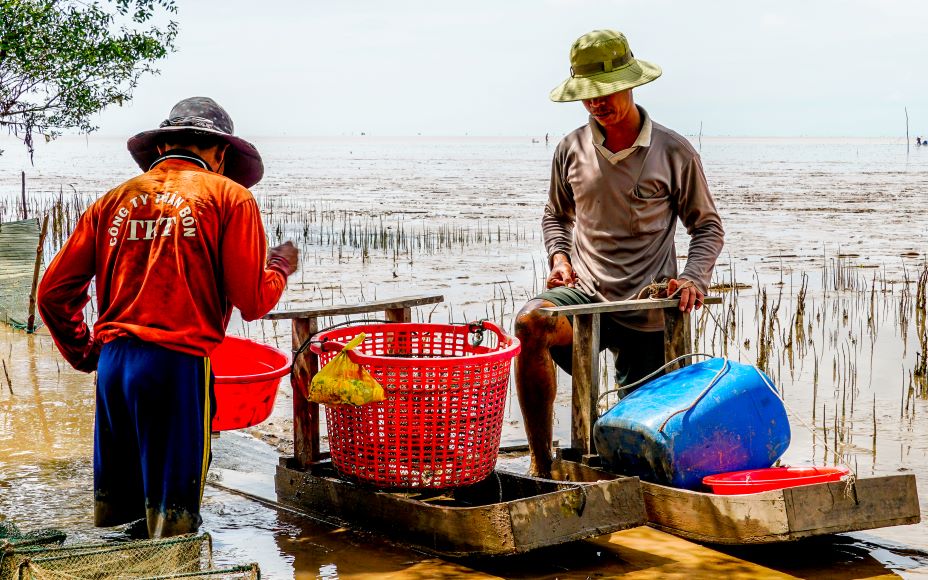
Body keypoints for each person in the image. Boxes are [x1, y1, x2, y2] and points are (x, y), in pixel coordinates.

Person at [37, 97, 299, 538]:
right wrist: (279, 269)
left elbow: (52, 292)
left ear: (162, 148)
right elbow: (253, 301)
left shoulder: (113, 200)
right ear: (219, 154)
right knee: (173, 517)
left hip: (114, 367)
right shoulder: (229, 197)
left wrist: (86, 353)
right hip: (175, 366)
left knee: (116, 516)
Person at [514, 30, 724, 477]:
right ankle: (541, 463)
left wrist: (693, 277)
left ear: (631, 83)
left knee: (639, 442)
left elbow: (706, 226)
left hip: (646, 310)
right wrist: (559, 257)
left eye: (606, 92)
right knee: (531, 323)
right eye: (587, 95)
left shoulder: (674, 151)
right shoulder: (570, 149)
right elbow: (556, 215)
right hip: (587, 297)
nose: (597, 103)